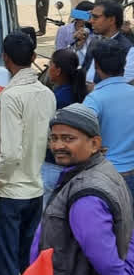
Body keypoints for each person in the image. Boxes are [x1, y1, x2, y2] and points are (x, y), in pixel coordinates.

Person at [0, 31, 56, 275]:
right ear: (33, 57)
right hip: (35, 189)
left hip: (9, 193)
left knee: (3, 268)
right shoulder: (46, 94)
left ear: (5, 58)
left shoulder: (11, 97)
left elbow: (9, 153)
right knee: (24, 264)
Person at [30, 103, 134, 275]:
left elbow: (105, 258)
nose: (58, 146)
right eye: (53, 138)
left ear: (94, 143)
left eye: (68, 139)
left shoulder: (87, 192)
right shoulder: (105, 171)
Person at [82, 40, 134, 198]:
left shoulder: (94, 99)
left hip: (106, 175)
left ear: (97, 66)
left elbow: (82, 135)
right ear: (124, 64)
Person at [42, 48, 88, 207]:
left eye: (50, 65)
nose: (49, 69)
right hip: (74, 160)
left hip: (53, 163)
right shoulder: (78, 93)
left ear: (58, 70)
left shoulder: (58, 99)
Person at [83, 0, 134, 83]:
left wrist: (94, 89)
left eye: (95, 17)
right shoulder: (94, 41)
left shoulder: (129, 50)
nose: (91, 21)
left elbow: (125, 85)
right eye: (91, 16)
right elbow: (85, 69)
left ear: (111, 20)